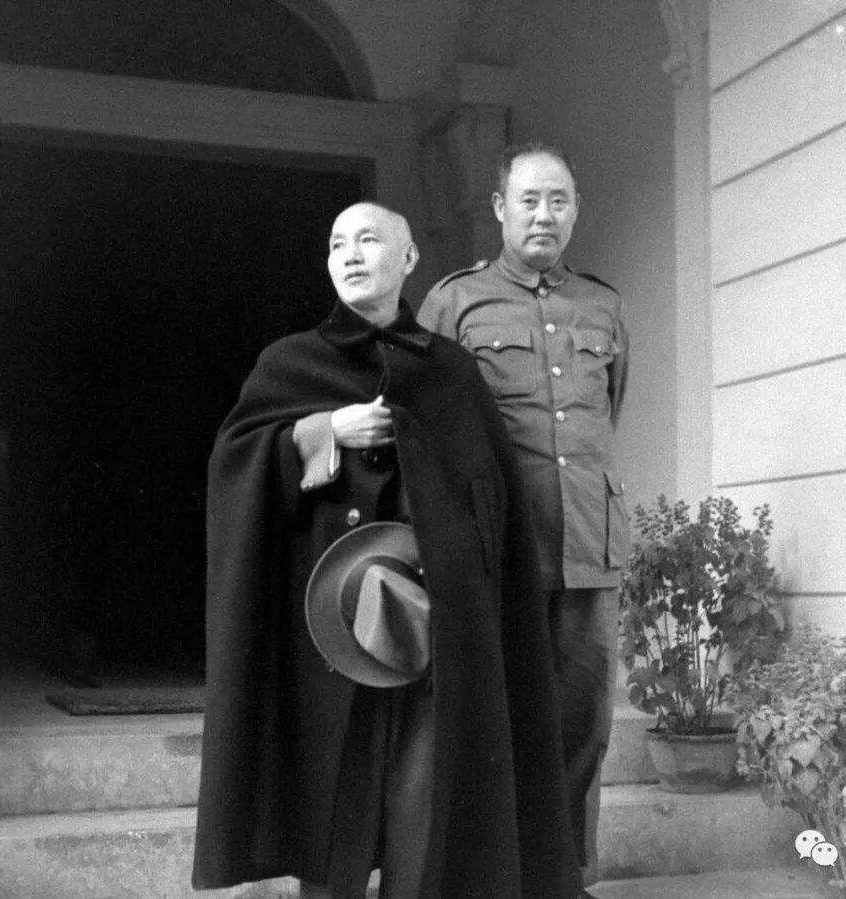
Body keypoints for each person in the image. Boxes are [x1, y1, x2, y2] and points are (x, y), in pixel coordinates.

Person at [191, 202, 574, 898]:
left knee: (421, 799)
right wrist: (323, 431)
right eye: (337, 243)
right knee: (331, 801)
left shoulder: (450, 370)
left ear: (409, 258)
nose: (350, 254)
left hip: (429, 624)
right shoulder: (290, 361)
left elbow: (490, 494)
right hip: (329, 626)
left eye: (368, 239)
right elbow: (234, 463)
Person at [417, 143, 631, 899]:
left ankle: (564, 879)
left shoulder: (603, 306)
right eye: (530, 200)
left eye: (559, 201)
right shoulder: (455, 303)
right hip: (497, 549)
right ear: (500, 209)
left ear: (575, 211)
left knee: (582, 723)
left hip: (589, 545)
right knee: (494, 723)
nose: (545, 215)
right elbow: (427, 423)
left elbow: (606, 412)